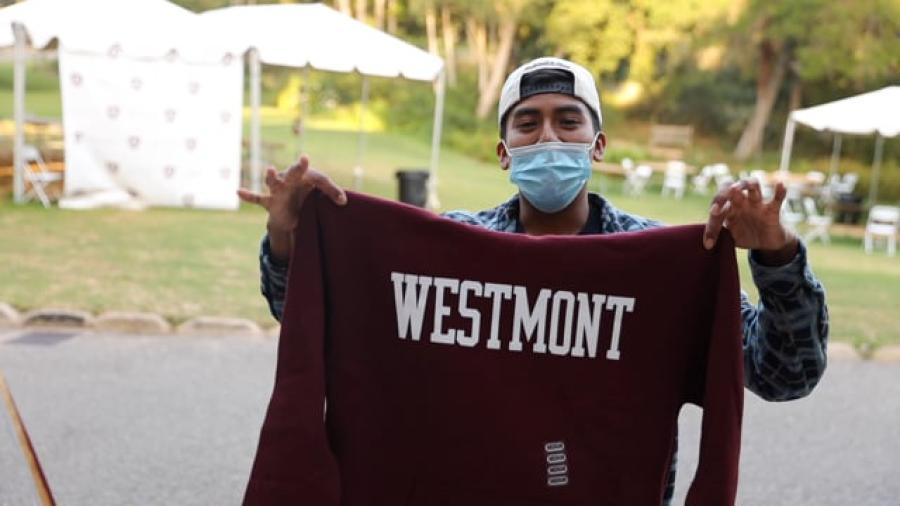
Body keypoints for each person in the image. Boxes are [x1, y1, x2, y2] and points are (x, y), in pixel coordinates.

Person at [237, 57, 828, 505]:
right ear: (504, 152)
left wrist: (776, 255)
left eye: (568, 121)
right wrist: (290, 239)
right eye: (528, 123)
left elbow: (784, 373)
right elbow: (315, 317)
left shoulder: (658, 266)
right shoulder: (451, 248)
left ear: (597, 146)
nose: (548, 137)